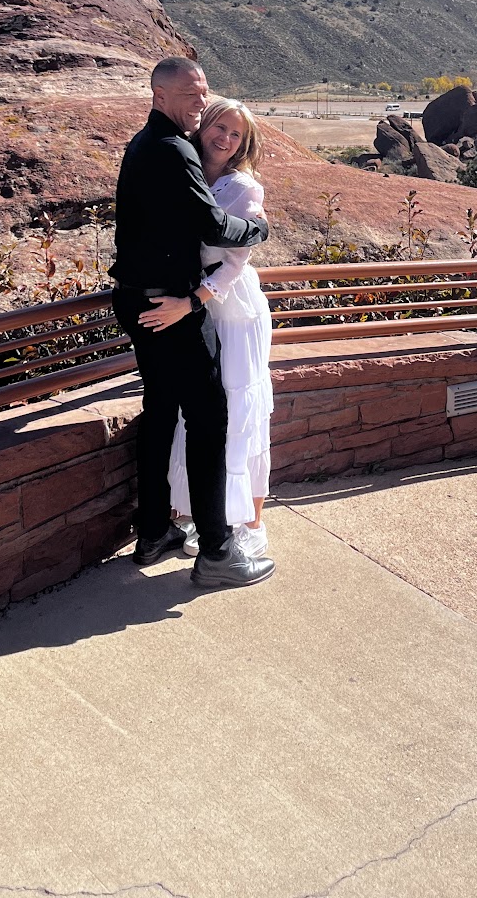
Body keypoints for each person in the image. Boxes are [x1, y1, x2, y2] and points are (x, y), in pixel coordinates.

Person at [110, 56, 276, 590]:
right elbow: (211, 224)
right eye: (191, 95)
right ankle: (219, 552)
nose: (201, 102)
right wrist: (256, 233)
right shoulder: (173, 149)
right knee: (208, 421)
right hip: (173, 306)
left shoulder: (142, 144)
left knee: (161, 413)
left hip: (140, 299)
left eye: (204, 91)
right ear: (160, 96)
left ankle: (155, 529)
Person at [169, 99, 273, 559]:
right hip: (194, 304)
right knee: (199, 411)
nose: (226, 139)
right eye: (220, 127)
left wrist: (196, 300)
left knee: (238, 409)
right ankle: (197, 512)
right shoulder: (186, 172)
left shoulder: (243, 189)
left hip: (231, 308)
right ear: (203, 127)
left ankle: (249, 522)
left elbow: (234, 261)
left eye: (236, 134)